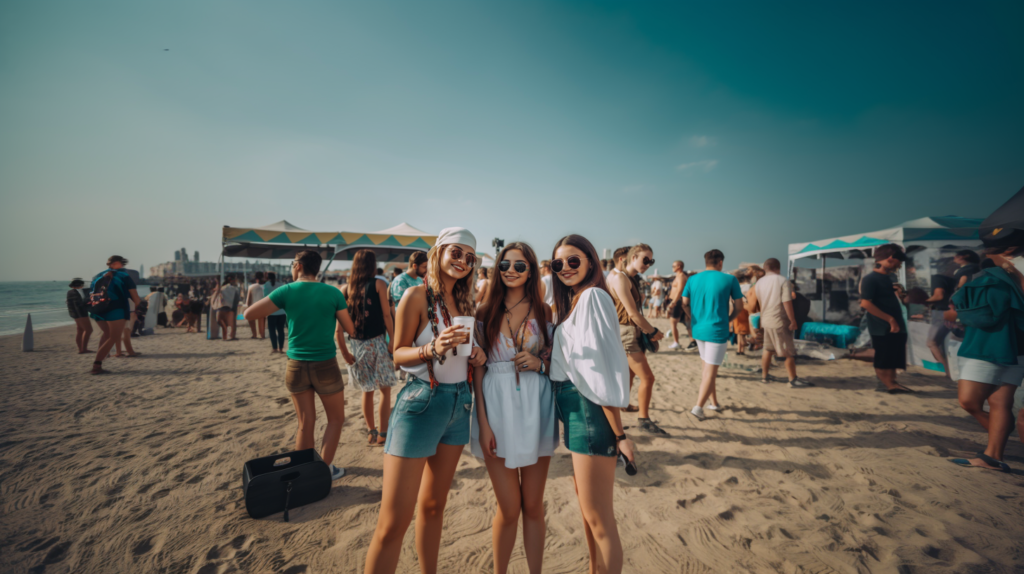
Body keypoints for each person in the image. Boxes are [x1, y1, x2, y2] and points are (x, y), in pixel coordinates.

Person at [364, 228, 487, 574]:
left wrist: (475, 354)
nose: (463, 261)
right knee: (393, 521)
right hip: (421, 401)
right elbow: (398, 354)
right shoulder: (416, 296)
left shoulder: (465, 303)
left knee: (434, 507)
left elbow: (463, 358)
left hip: (459, 404)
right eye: (456, 253)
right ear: (439, 253)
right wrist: (432, 348)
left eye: (469, 257)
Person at [548, 234, 635, 574]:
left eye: (573, 260)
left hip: (589, 411)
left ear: (590, 261)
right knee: (590, 513)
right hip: (576, 411)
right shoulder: (577, 300)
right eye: (558, 264)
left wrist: (621, 433)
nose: (565, 268)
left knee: (599, 518)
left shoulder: (594, 297)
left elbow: (604, 370)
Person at [471, 242, 555, 574]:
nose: (510, 271)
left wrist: (539, 362)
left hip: (537, 403)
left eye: (520, 266)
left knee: (533, 506)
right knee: (508, 508)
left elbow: (553, 359)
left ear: (531, 271)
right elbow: (477, 370)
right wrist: (483, 423)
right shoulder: (483, 311)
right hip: (496, 404)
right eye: (505, 265)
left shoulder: (544, 310)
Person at [244, 250, 357, 482]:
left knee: (306, 422)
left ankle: (304, 473)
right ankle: (323, 472)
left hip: (295, 364)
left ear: (298, 265)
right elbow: (350, 329)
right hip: (325, 363)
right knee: (335, 419)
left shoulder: (286, 291)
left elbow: (249, 314)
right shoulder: (332, 292)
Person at [947, 211, 1024, 472]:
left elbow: (974, 312)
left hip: (987, 345)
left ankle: (997, 442)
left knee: (969, 401)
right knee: (1001, 403)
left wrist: (951, 312)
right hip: (1016, 346)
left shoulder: (993, 278)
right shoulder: (1011, 275)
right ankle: (993, 455)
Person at [607, 244, 667, 434]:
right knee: (648, 378)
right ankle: (644, 419)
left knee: (630, 375)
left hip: (627, 331)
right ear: (632, 258)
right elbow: (632, 313)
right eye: (645, 260)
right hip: (627, 332)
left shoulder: (626, 277)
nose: (648, 264)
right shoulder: (619, 278)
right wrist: (652, 331)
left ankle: (623, 405)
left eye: (651, 261)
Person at [343, 250, 398, 447]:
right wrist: (392, 338)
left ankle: (371, 431)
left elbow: (342, 322)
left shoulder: (346, 288)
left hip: (357, 345)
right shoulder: (379, 283)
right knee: (385, 390)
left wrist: (344, 351)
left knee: (367, 391)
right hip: (377, 342)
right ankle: (383, 432)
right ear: (372, 264)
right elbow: (386, 314)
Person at [682, 249, 743, 420]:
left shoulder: (692, 279)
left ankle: (714, 403)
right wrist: (729, 319)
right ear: (721, 262)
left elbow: (684, 303)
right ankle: (698, 407)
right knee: (710, 370)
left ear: (706, 261)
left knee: (708, 368)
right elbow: (739, 307)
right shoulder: (730, 279)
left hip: (698, 329)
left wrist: (693, 317)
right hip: (717, 329)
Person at [745, 258, 812, 388]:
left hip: (766, 321)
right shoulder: (782, 280)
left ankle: (765, 376)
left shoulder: (759, 283)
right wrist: (793, 320)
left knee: (768, 349)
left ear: (765, 269)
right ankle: (792, 379)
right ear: (778, 268)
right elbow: (786, 302)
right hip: (779, 320)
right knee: (789, 352)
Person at [860, 244, 914, 394]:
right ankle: (887, 384)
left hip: (895, 325)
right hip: (882, 326)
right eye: (899, 261)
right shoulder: (870, 279)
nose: (900, 265)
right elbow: (865, 303)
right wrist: (890, 319)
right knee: (884, 357)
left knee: (893, 357)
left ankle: (892, 383)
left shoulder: (888, 278)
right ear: (891, 259)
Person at [89, 255, 142, 374]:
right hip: (116, 309)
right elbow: (135, 298)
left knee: (106, 334)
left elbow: (91, 292)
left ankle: (99, 361)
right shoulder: (124, 276)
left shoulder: (98, 276)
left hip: (97, 308)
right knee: (113, 337)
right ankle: (96, 365)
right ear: (119, 263)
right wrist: (140, 310)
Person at [924, 266, 956, 379]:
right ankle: (950, 370)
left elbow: (939, 295)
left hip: (942, 312)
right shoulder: (954, 279)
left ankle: (948, 371)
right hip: (953, 312)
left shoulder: (938, 277)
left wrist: (922, 301)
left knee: (931, 343)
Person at [665, 261, 692, 350]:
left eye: (674, 266)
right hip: (676, 301)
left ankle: (676, 342)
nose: (672, 267)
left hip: (678, 301)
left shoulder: (681, 277)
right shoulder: (678, 276)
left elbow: (680, 291)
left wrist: (673, 302)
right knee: (686, 322)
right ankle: (692, 341)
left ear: (679, 266)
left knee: (673, 322)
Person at [67, 279, 93, 354]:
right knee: (88, 330)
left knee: (80, 330)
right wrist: (89, 303)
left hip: (74, 314)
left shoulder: (70, 292)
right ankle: (84, 349)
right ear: (80, 285)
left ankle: (81, 348)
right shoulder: (79, 292)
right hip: (81, 313)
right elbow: (80, 303)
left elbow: (71, 304)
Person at [264, 272, 287, 354]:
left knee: (272, 331)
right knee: (281, 330)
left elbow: (265, 298)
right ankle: (281, 348)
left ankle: (274, 348)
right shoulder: (281, 284)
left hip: (271, 311)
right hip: (282, 311)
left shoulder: (266, 285)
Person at [218, 276, 240, 341]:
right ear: (232, 280)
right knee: (233, 324)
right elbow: (237, 299)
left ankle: (224, 337)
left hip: (222, 307)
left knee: (224, 323)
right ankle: (232, 336)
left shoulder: (222, 288)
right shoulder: (235, 289)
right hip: (231, 307)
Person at [246, 272, 267, 339]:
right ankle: (262, 334)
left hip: (254, 307)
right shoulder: (266, 286)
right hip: (263, 307)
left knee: (251, 320)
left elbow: (248, 300)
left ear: (256, 279)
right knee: (262, 320)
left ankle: (254, 334)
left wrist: (247, 307)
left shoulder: (251, 287)